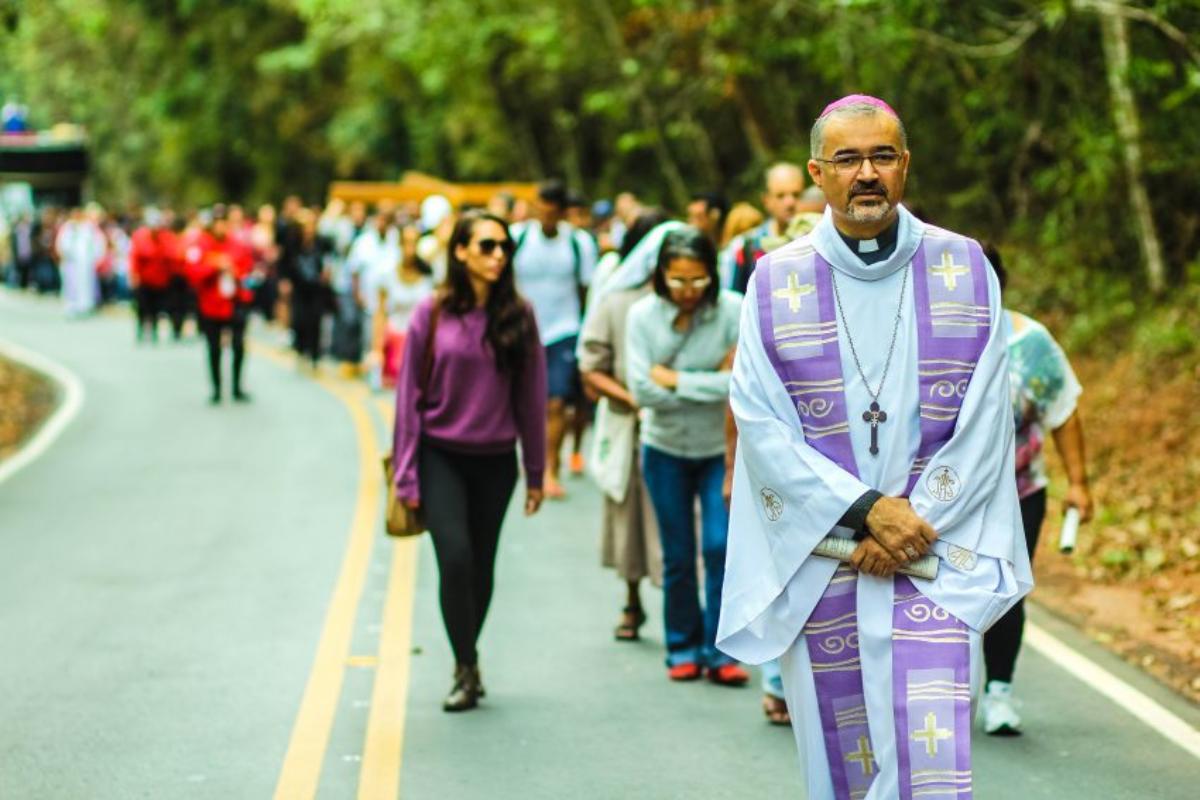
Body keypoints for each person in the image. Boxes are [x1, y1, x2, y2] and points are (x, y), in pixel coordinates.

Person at [717, 95, 1032, 799]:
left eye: (882, 156)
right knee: (843, 767)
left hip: (931, 553)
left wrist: (910, 525)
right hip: (828, 555)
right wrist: (865, 512)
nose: (867, 173)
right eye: (848, 159)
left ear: (906, 166)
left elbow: (987, 421)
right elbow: (761, 425)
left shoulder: (966, 268)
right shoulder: (774, 281)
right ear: (816, 174)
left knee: (933, 760)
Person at [392, 211, 547, 712]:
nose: (498, 254)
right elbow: (407, 397)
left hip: (496, 461)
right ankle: (465, 664)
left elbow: (531, 396)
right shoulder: (430, 313)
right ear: (459, 251)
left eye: (504, 246)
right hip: (442, 457)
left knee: (481, 567)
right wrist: (406, 472)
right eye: (486, 245)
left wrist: (537, 471)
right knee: (454, 559)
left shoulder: (518, 314)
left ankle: (468, 658)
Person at [625, 226, 746, 685]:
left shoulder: (732, 311)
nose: (688, 291)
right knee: (677, 554)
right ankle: (682, 644)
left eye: (697, 281)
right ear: (660, 276)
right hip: (664, 449)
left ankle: (720, 650)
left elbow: (740, 385)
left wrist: (675, 379)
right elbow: (642, 390)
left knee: (719, 547)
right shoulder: (641, 317)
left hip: (720, 449)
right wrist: (708, 381)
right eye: (678, 281)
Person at [981, 243, 1092, 736]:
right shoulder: (924, 336)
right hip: (937, 498)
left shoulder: (1030, 343)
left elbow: (1063, 413)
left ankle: (998, 692)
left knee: (1006, 592)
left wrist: (1080, 483)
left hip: (1018, 492)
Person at [577, 210, 670, 641]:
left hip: (679, 426)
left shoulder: (694, 301)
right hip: (629, 427)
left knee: (681, 518)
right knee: (628, 513)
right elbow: (590, 365)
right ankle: (631, 602)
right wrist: (632, 399)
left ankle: (681, 611)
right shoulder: (616, 303)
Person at [512, 180, 597, 498]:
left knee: (557, 402)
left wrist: (586, 334)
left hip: (564, 330)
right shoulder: (518, 239)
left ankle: (550, 469)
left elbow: (586, 289)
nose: (545, 218)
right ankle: (529, 454)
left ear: (562, 213)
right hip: (523, 330)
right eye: (540, 210)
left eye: (551, 213)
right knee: (523, 400)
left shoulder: (578, 244)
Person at [186, 207, 255, 404]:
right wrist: (214, 267)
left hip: (235, 302)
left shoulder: (238, 245)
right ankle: (216, 388)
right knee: (214, 347)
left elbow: (248, 273)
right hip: (211, 304)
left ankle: (237, 386)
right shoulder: (201, 245)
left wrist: (235, 272)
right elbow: (193, 273)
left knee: (239, 345)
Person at [367, 223, 434, 388]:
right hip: (395, 338)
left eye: (414, 243)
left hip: (420, 339)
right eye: (406, 242)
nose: (410, 248)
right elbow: (380, 313)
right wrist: (376, 349)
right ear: (400, 244)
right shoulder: (387, 274)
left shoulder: (427, 275)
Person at [728, 163, 806, 294]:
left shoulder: (818, 239)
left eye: (796, 195)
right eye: (780, 196)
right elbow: (738, 298)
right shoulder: (748, 246)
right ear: (766, 201)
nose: (790, 202)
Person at [283, 209, 332, 370]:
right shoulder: (293, 242)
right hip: (300, 286)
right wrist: (286, 281)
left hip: (316, 286)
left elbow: (329, 259)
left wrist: (327, 272)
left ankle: (315, 354)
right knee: (300, 319)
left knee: (316, 319)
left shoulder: (322, 241)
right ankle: (301, 349)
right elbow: (286, 262)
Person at [129, 208, 178, 342]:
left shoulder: (167, 237)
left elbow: (173, 255)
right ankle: (141, 329)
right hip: (145, 280)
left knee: (157, 308)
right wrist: (134, 276)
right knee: (143, 307)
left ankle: (155, 331)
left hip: (161, 279)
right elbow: (135, 257)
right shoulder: (140, 236)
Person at [55, 206, 106, 317]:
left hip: (85, 263)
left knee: (86, 285)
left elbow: (98, 244)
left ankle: (86, 306)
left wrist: (97, 258)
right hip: (70, 262)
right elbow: (61, 244)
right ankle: (71, 306)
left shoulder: (89, 228)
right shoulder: (67, 227)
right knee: (70, 284)